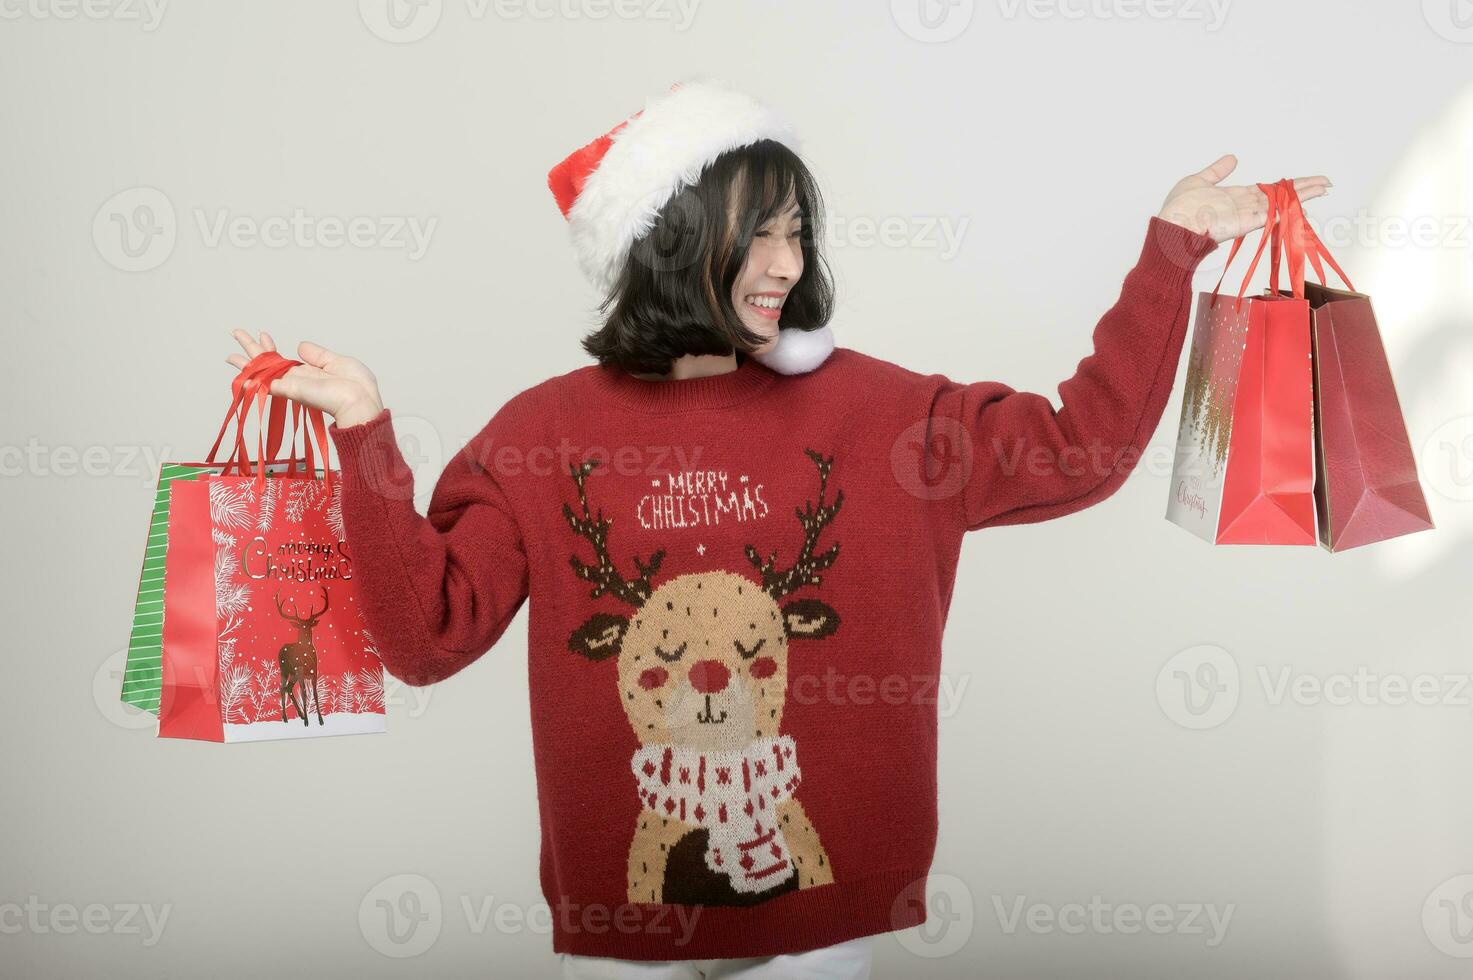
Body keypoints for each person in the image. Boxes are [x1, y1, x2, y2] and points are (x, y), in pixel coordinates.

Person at [225, 79, 1329, 979]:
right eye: (755, 235)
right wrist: (368, 433)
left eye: (796, 231)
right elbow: (425, 637)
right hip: (627, 924)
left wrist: (1172, 250)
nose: (788, 264)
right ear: (667, 240)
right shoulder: (538, 434)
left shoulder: (886, 416)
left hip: (824, 919)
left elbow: (1079, 449)